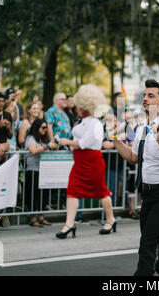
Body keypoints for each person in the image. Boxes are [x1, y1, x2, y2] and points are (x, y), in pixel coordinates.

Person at [112, 79, 159, 276]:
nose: (144, 99)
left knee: (148, 246)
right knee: (157, 250)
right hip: (149, 195)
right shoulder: (142, 126)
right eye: (144, 95)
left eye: (150, 96)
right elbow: (134, 157)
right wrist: (115, 140)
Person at [55, 84, 115, 239]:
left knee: (101, 191)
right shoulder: (82, 122)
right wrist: (68, 144)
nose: (76, 107)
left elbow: (85, 142)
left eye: (79, 105)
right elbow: (78, 143)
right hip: (80, 161)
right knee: (72, 191)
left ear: (84, 107)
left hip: (92, 161)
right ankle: (69, 224)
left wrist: (66, 142)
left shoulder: (95, 123)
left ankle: (110, 219)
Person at [24, 118, 58, 227]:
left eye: (46, 128)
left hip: (44, 170)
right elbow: (33, 150)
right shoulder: (30, 138)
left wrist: (54, 144)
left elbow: (52, 148)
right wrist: (47, 146)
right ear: (37, 127)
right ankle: (33, 218)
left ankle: (41, 217)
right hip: (33, 169)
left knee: (43, 195)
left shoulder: (43, 139)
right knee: (33, 195)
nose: (45, 130)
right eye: (43, 128)